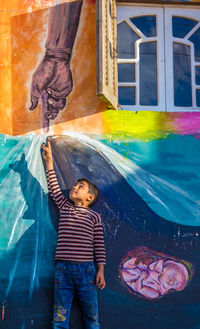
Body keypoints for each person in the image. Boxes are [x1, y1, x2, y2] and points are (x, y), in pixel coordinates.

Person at [42, 140, 106, 329]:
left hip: (87, 272)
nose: (75, 188)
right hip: (63, 271)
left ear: (89, 198)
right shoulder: (65, 208)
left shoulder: (94, 217)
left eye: (80, 187)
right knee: (60, 318)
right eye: (75, 185)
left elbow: (100, 246)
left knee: (92, 317)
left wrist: (101, 270)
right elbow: (54, 187)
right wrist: (49, 162)